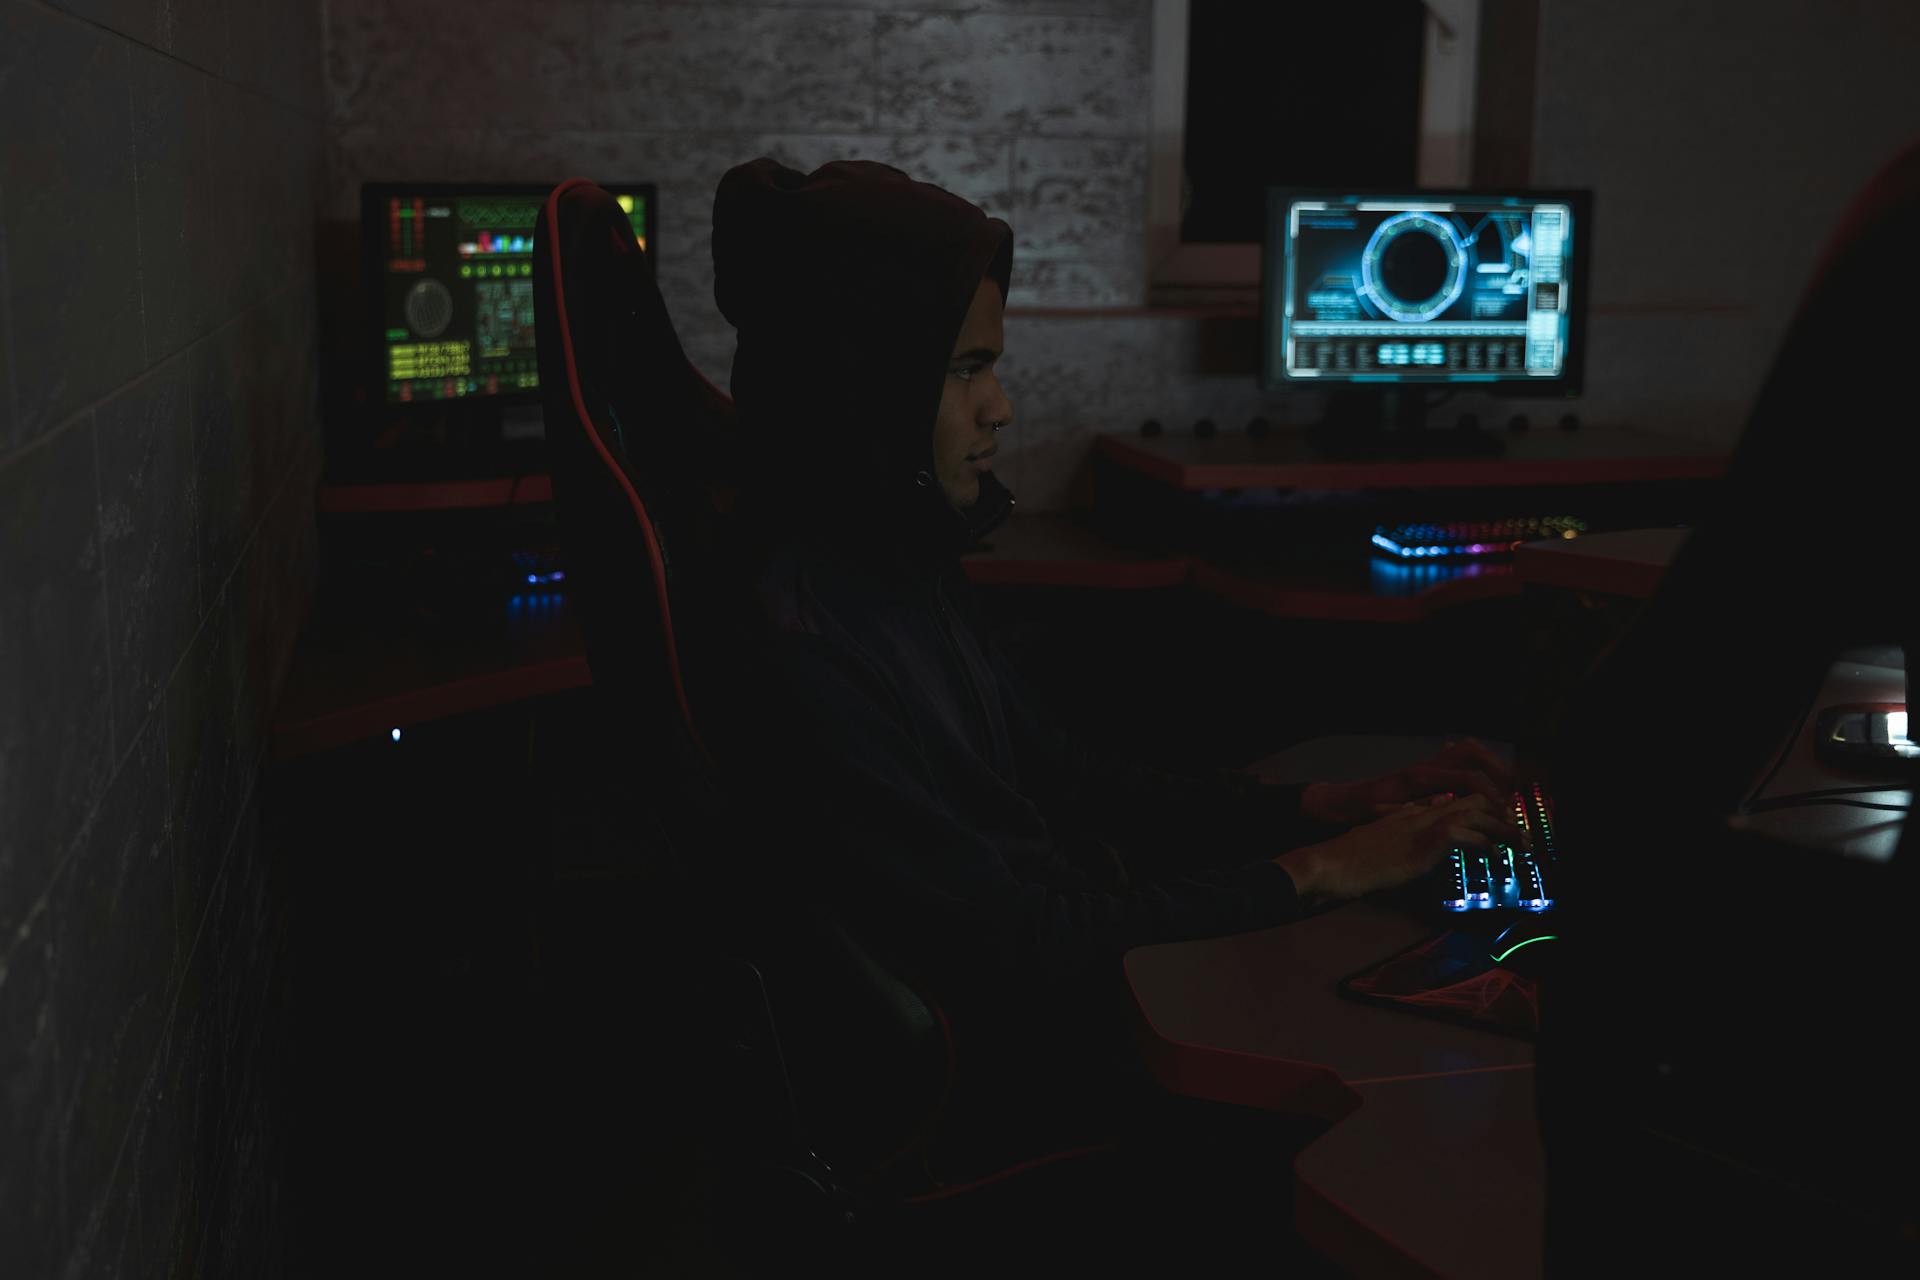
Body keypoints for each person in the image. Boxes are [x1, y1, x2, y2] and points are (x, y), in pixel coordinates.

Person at [705, 157, 1525, 1200]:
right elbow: (1022, 944)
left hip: (1080, 979)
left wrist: (1319, 808)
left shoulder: (885, 561)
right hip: (1039, 1061)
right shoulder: (804, 638)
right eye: (966, 369)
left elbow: (1061, 775)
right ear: (865, 379)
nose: (1001, 408)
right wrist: (1326, 870)